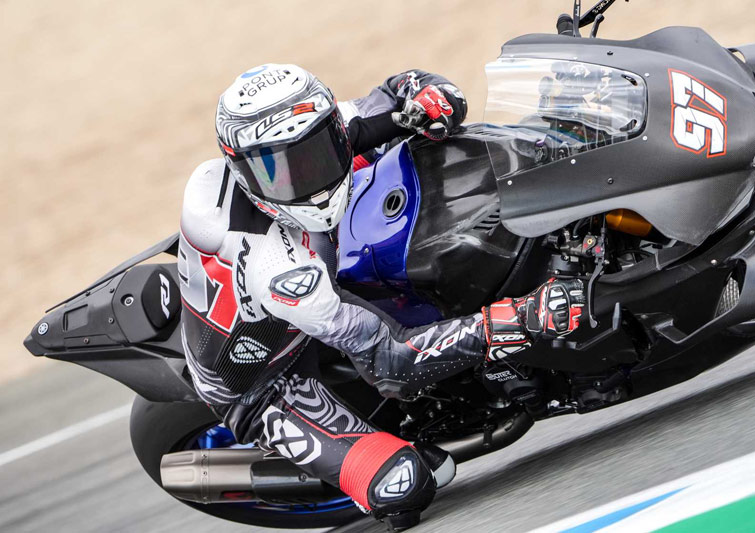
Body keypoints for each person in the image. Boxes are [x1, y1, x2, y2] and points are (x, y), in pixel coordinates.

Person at [177, 63, 584, 529]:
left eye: (316, 153)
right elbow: (390, 360)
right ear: (241, 170)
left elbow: (395, 92)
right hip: (267, 381)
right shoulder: (277, 269)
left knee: (416, 144)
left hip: (314, 263)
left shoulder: (308, 131)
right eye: (281, 172)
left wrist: (433, 97)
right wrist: (517, 321)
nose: (308, 180)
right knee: (407, 485)